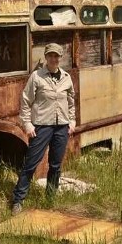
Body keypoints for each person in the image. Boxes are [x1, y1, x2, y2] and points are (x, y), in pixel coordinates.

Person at [10, 43, 76, 214]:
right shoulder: (37, 77)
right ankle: (18, 200)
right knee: (31, 164)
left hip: (61, 127)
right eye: (51, 56)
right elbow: (25, 101)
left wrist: (72, 121)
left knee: (55, 165)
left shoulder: (66, 77)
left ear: (60, 58)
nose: (54, 59)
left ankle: (50, 198)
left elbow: (71, 102)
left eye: (57, 56)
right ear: (46, 57)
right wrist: (27, 124)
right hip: (42, 126)